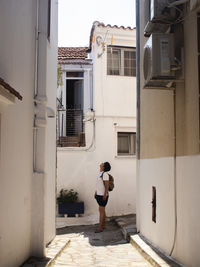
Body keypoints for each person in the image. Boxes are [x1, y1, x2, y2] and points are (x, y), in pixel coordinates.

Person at [94, 161, 111, 233]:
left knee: (101, 211)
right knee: (102, 211)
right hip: (98, 194)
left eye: (102, 164)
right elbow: (99, 184)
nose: (101, 164)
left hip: (102, 196)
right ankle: (103, 225)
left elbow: (107, 186)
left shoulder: (105, 174)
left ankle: (100, 228)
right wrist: (95, 192)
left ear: (103, 167)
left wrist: (105, 195)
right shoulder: (100, 174)